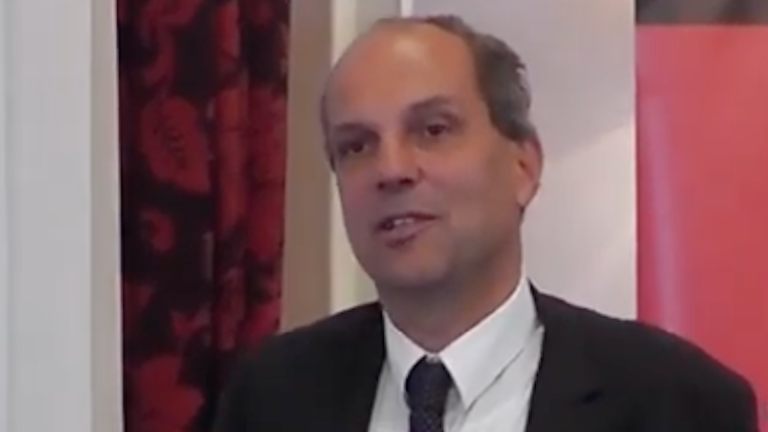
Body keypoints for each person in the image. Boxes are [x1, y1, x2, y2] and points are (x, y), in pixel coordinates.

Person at [214, 14, 759, 432]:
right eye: (356, 146)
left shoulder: (678, 403)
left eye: (433, 129)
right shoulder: (271, 397)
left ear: (524, 167)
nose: (391, 169)